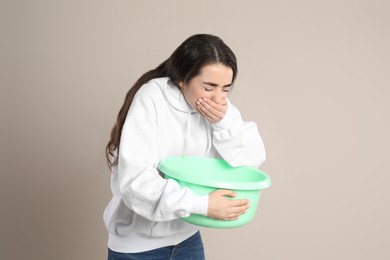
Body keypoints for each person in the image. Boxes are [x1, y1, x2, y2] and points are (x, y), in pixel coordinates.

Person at [103, 34, 266, 259]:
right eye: (209, 87)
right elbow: (136, 181)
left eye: (226, 88)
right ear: (182, 80)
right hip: (137, 248)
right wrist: (202, 204)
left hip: (187, 240)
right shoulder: (152, 98)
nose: (219, 98)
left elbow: (250, 161)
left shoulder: (219, 108)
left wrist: (224, 123)